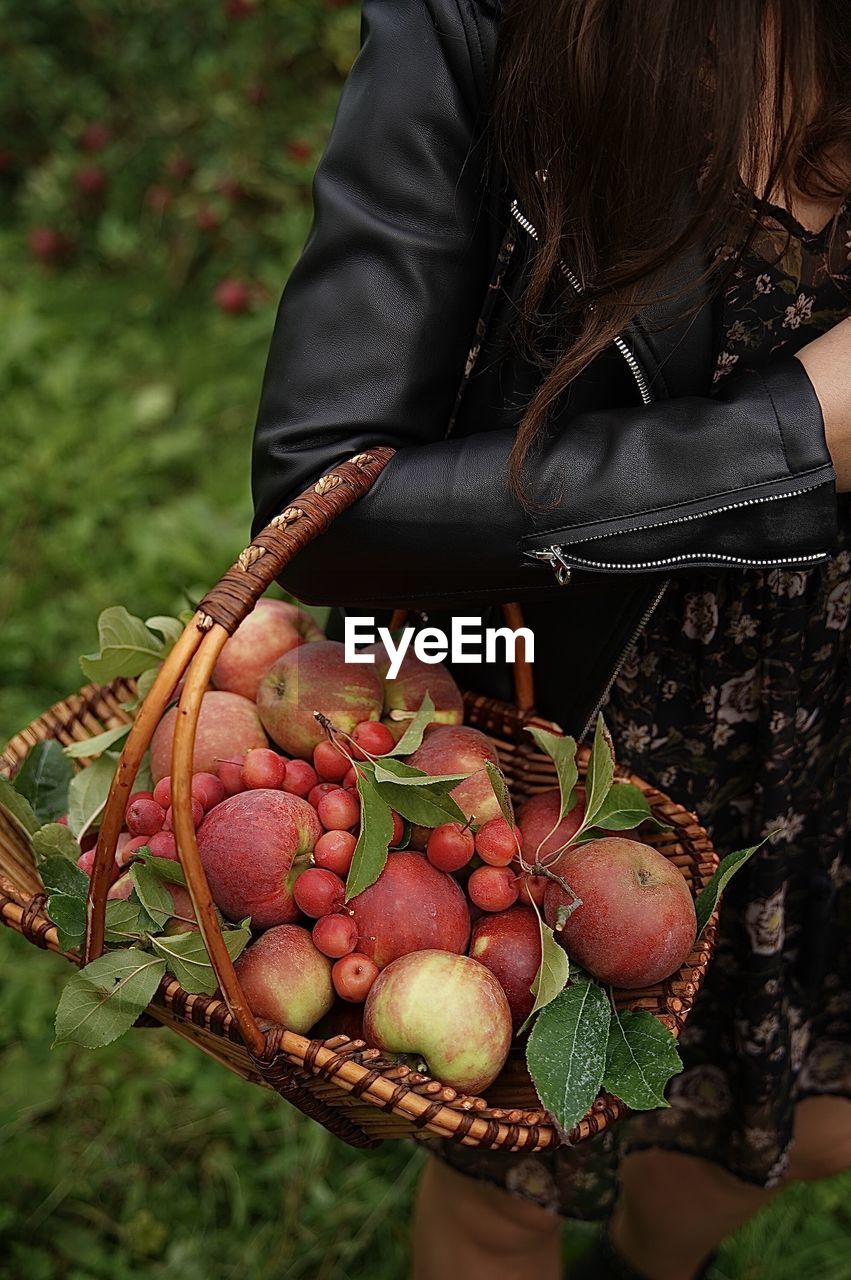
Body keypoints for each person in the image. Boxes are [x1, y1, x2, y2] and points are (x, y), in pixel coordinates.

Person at [250, 3, 851, 1277]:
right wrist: (792, 433)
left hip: (829, 717)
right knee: (501, 1190)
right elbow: (325, 499)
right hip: (567, 737)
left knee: (794, 1125)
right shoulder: (479, 25)